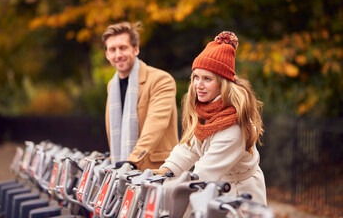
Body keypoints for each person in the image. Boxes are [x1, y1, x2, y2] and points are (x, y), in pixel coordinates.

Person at [153, 31, 267, 206]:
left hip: (240, 197)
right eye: (196, 77)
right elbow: (188, 148)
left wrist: (165, 191)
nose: (199, 85)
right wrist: (165, 171)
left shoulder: (233, 127)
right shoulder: (205, 111)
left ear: (222, 83)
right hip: (219, 189)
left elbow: (203, 174)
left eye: (207, 78)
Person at [102, 21, 179, 171]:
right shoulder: (112, 86)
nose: (118, 54)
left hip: (157, 172)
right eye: (112, 49)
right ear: (107, 55)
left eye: (123, 48)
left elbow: (156, 125)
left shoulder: (161, 79)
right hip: (122, 171)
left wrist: (131, 161)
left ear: (136, 49)